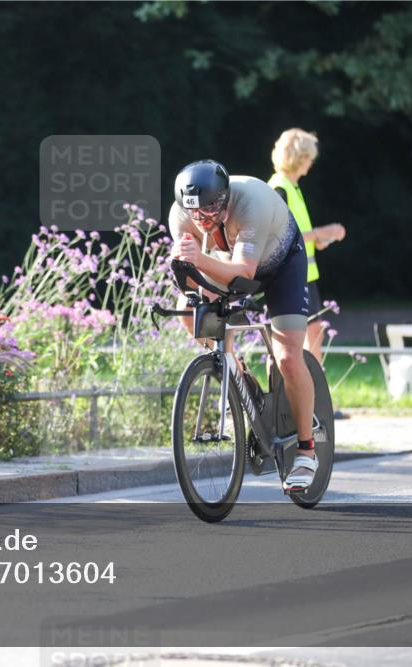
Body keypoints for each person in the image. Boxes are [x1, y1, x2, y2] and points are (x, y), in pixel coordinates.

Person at [168, 159, 317, 492]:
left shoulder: (251, 202)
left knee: (288, 357)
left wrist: (197, 260)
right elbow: (189, 276)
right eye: (196, 214)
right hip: (227, 263)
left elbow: (245, 273)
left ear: (225, 198)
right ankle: (238, 373)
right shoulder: (181, 215)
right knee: (186, 312)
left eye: (211, 211)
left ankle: (307, 452)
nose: (203, 221)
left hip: (279, 265)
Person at [267, 128, 345, 361]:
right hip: (291, 275)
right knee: (303, 338)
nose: (311, 164)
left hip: (304, 274)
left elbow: (299, 234)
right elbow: (283, 233)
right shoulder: (280, 187)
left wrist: (319, 240)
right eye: (309, 159)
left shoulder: (292, 187)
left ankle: (315, 388)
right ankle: (311, 391)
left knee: (314, 332)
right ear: (300, 158)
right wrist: (325, 231)